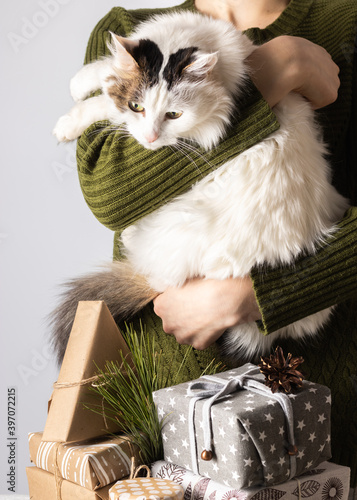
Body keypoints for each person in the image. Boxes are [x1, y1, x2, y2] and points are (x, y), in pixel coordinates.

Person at [75, 0, 357, 489]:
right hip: (156, 416)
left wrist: (254, 295)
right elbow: (111, 193)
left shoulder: (345, 22)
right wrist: (268, 74)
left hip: (320, 415)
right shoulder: (131, 32)